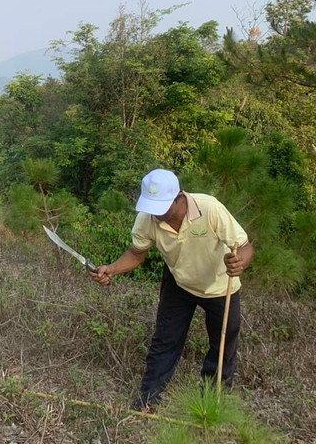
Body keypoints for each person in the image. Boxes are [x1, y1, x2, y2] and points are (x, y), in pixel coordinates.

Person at [89, 169, 253, 410]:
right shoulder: (147, 218)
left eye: (162, 207)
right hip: (179, 283)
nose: (156, 214)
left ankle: (211, 403)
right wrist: (111, 269)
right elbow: (136, 254)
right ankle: (148, 399)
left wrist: (240, 263)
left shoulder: (210, 208)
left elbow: (245, 247)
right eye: (152, 207)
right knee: (165, 341)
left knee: (223, 346)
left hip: (220, 286)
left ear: (179, 197)